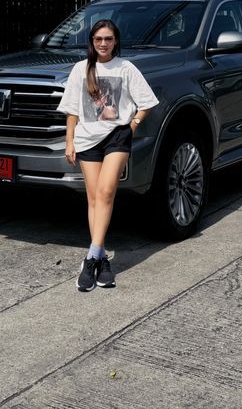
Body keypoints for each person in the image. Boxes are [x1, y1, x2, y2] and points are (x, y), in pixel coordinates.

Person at [58, 19, 158, 292]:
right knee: (93, 198)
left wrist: (132, 125)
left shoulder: (126, 68)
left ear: (116, 41)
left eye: (108, 39)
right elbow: (72, 110)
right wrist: (69, 141)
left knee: (106, 192)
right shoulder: (81, 69)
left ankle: (90, 258)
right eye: (99, 39)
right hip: (87, 139)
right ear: (92, 42)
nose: (103, 43)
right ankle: (101, 258)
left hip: (117, 137)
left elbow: (147, 102)